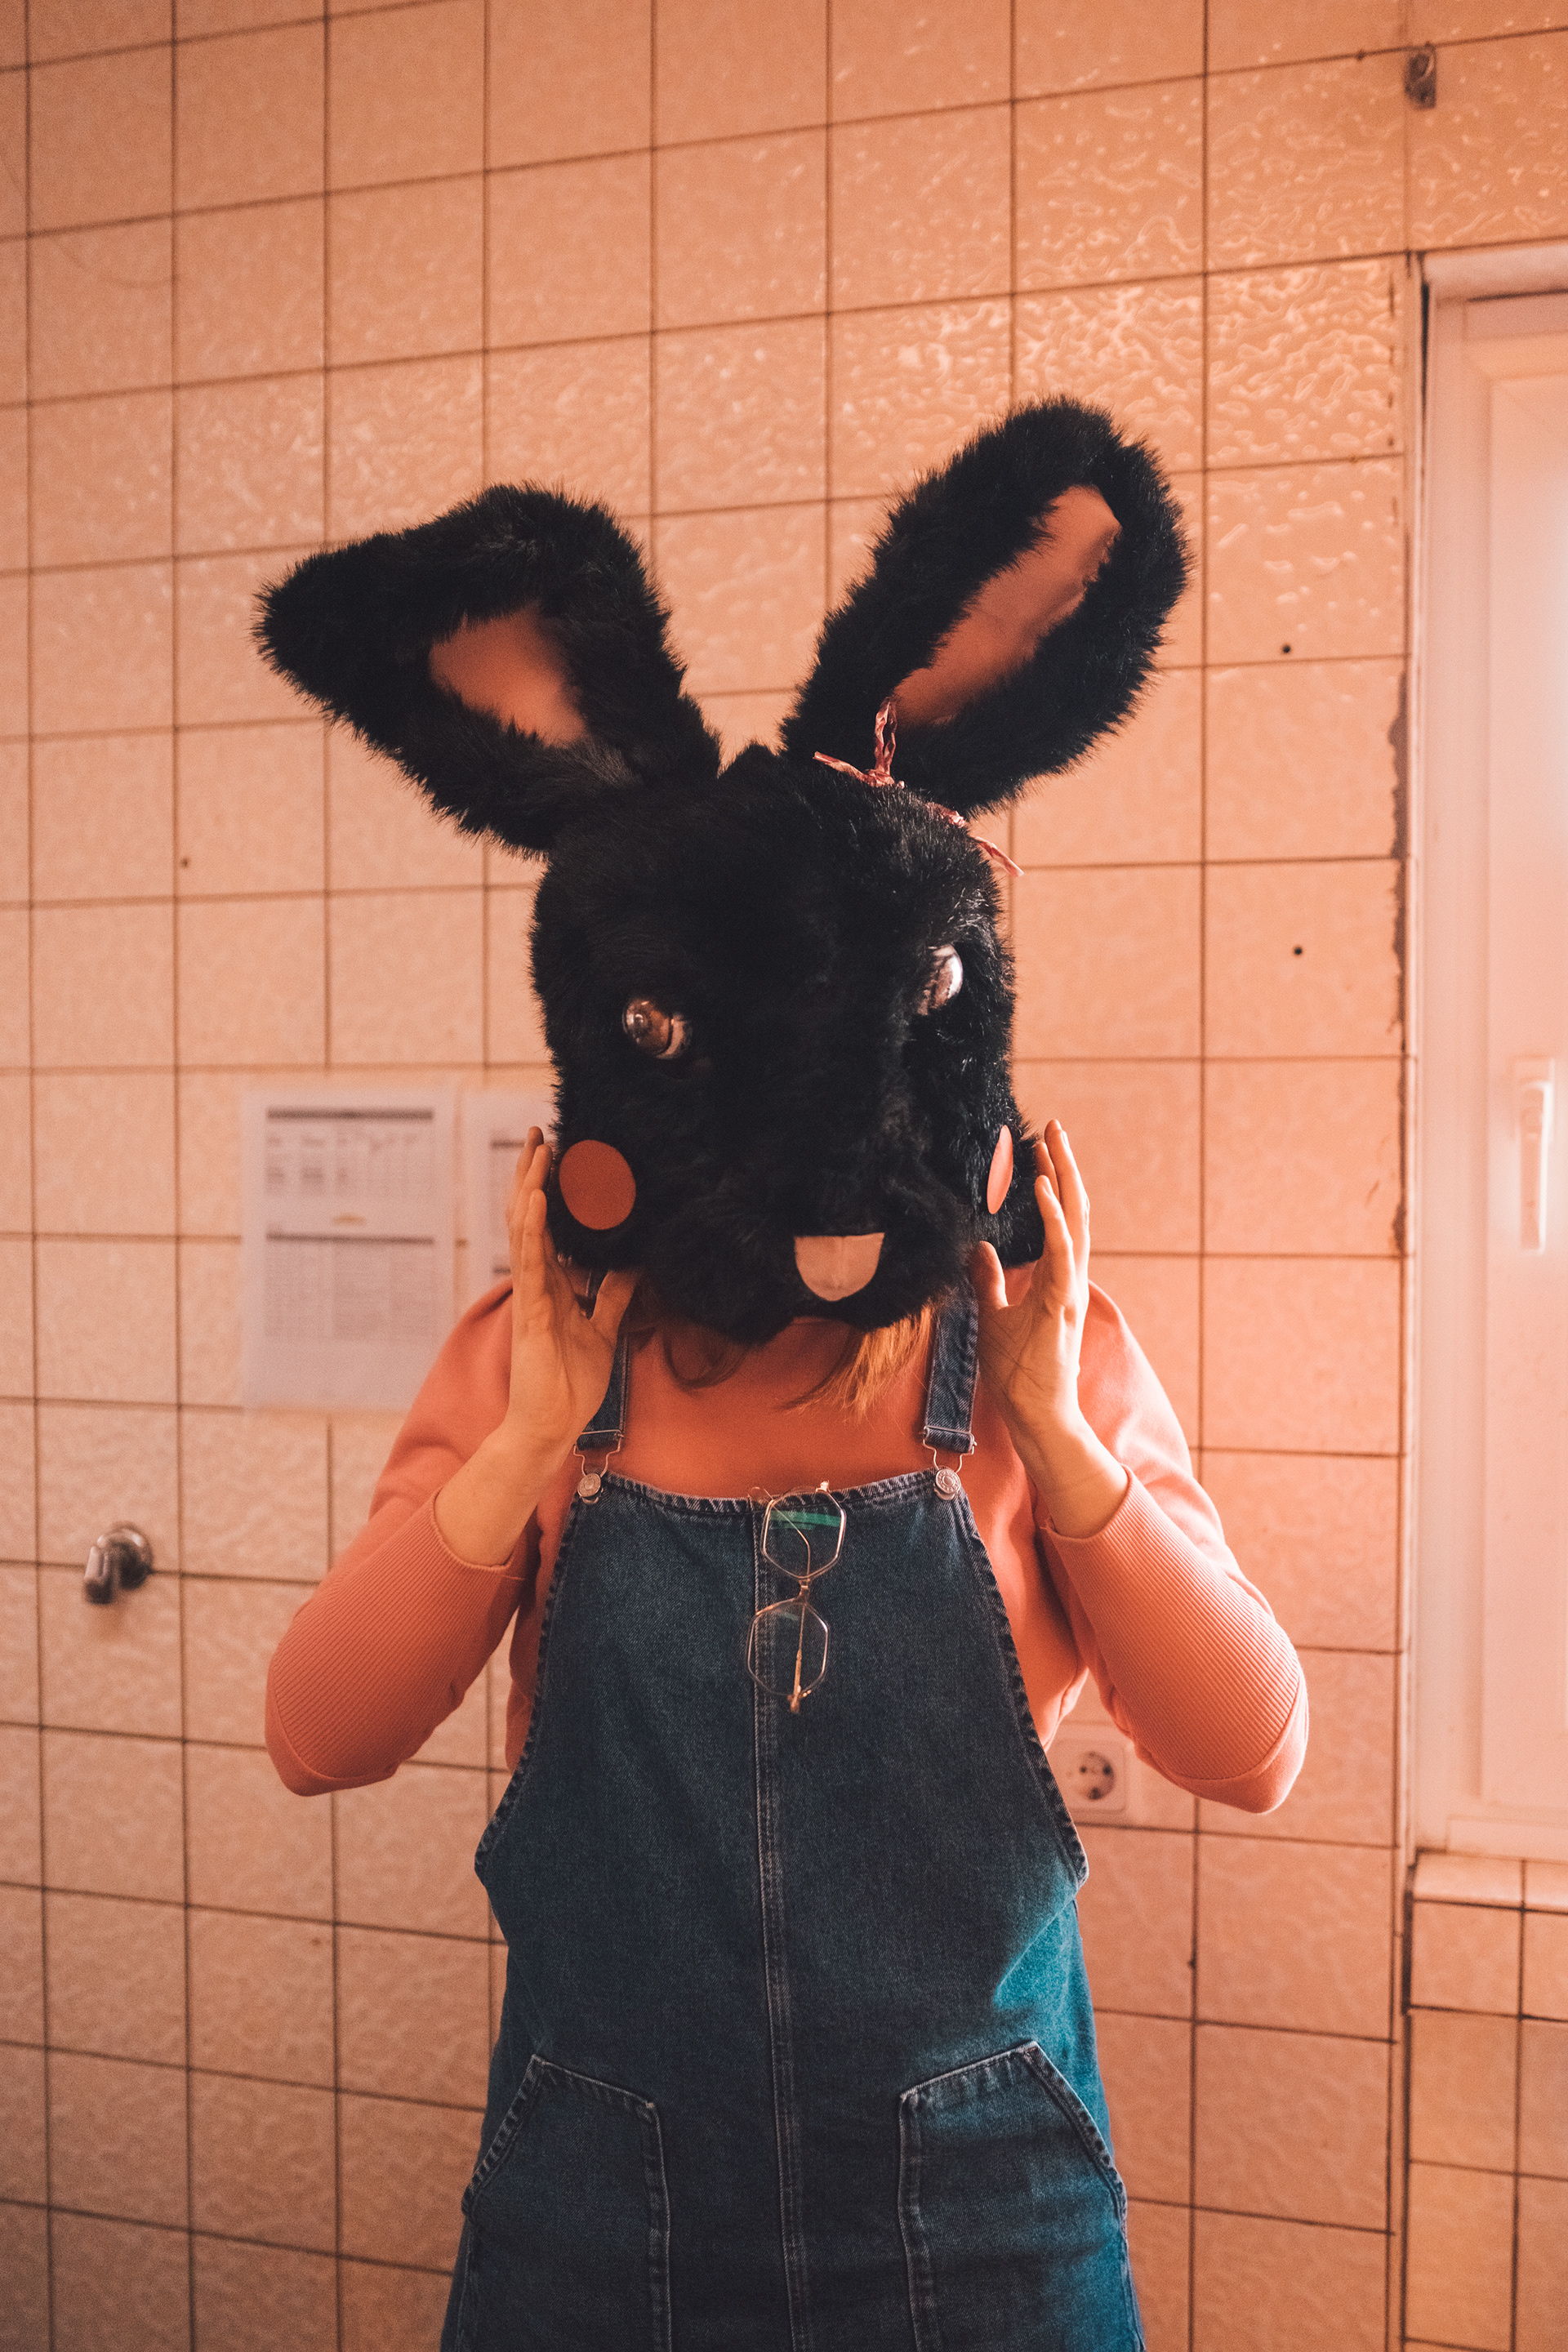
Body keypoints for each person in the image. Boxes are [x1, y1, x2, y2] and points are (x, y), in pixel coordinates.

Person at [257, 400, 1304, 2350]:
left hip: (986, 2228)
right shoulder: (540, 1358)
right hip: (598, 2218)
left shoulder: (1035, 1352)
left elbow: (1253, 1750)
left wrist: (1058, 1430)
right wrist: (530, 1440)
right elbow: (317, 1735)